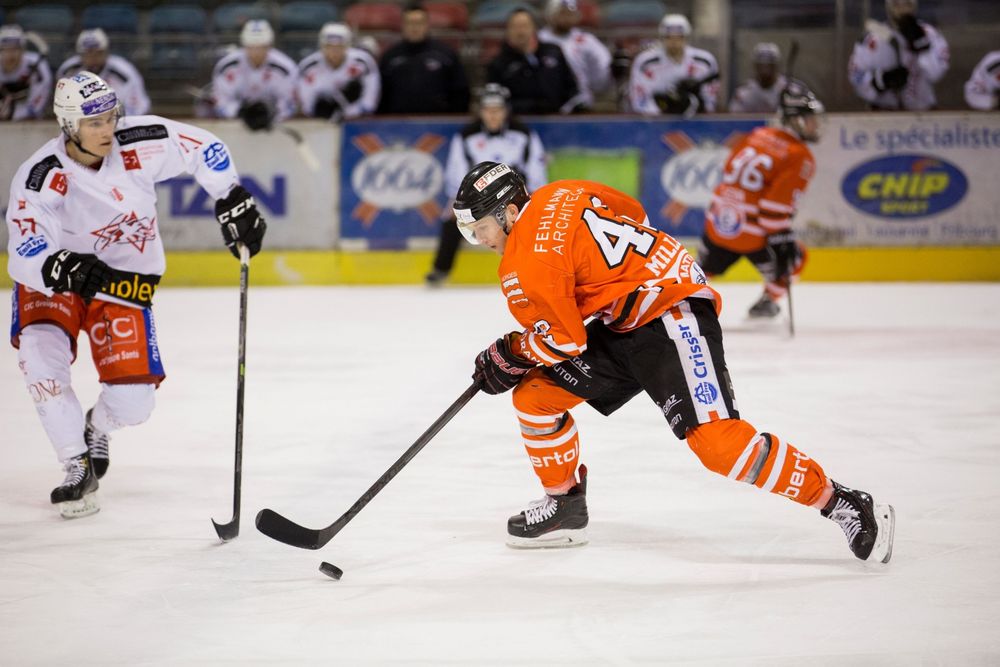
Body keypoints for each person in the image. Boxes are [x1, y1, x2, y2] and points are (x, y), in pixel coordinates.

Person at [452, 160, 895, 563]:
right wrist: (620, 279)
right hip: (632, 315)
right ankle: (565, 506)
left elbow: (564, 341)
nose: (481, 240)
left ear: (510, 213)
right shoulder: (560, 191)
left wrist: (510, 353)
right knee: (536, 397)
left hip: (671, 313)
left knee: (717, 444)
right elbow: (634, 212)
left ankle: (840, 501)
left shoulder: (522, 265)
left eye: (481, 229)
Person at [5, 71, 266, 518]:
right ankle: (75, 462)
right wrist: (56, 265)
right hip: (57, 281)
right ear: (69, 126)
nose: (107, 130)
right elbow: (23, 247)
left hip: (120, 280)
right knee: (40, 358)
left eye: (110, 118)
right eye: (93, 123)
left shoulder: (138, 140)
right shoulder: (40, 175)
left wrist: (230, 196)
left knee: (135, 402)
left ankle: (95, 426)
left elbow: (206, 147)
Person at [699, 80, 820, 320]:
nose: (815, 124)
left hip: (717, 225)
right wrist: (783, 242)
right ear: (795, 121)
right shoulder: (800, 156)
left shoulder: (757, 134)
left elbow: (728, 174)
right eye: (810, 118)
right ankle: (766, 304)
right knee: (797, 258)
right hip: (752, 235)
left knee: (700, 272)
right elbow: (771, 213)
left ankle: (673, 298)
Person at [426, 84, 546, 286]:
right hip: (478, 203)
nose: (492, 116)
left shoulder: (524, 134)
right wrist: (458, 202)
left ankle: (539, 269)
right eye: (488, 110)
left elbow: (536, 171)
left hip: (514, 198)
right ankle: (440, 270)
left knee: (535, 223)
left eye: (497, 110)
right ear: (480, 111)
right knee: (452, 220)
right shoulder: (466, 136)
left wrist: (533, 199)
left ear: (506, 111)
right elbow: (457, 174)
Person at [847, 0, 948, 111]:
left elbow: (935, 74)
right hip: (884, 115)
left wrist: (923, 47)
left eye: (907, 4)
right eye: (896, 4)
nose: (902, 9)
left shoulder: (930, 34)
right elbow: (856, 76)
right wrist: (879, 82)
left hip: (923, 114)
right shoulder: (873, 38)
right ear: (888, 6)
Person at [487, 7, 585, 115]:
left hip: (556, 121)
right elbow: (496, 102)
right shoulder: (498, 64)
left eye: (524, 26)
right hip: (517, 123)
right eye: (515, 26)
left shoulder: (554, 52)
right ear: (508, 30)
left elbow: (571, 89)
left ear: (533, 28)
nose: (520, 31)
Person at [377, 2, 469, 114]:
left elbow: (461, 92)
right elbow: (380, 95)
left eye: (419, 22)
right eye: (410, 23)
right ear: (402, 25)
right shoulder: (390, 57)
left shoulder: (446, 55)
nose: (414, 27)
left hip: (438, 124)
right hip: (398, 124)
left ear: (427, 24)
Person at [211, 20, 298, 130]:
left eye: (261, 47)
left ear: (269, 45)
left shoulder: (285, 68)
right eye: (251, 46)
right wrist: (240, 111)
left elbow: (289, 103)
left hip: (274, 127)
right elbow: (221, 102)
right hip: (236, 127)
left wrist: (271, 114)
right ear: (244, 45)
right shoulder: (227, 67)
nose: (256, 52)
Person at [629, 14, 720, 117]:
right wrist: (663, 112)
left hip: (696, 122)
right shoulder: (646, 62)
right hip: (656, 123)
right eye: (669, 37)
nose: (674, 42)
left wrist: (695, 106)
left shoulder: (704, 61)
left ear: (686, 37)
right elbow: (639, 99)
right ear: (662, 38)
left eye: (679, 37)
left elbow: (711, 99)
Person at [297, 22, 380, 122]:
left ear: (347, 46)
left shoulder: (363, 62)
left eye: (339, 47)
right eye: (329, 46)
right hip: (321, 122)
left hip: (357, 119)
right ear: (321, 46)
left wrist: (352, 112)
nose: (334, 52)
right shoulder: (308, 67)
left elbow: (370, 98)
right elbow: (307, 104)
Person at [56, 28, 150, 116]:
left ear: (106, 52)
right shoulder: (68, 71)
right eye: (88, 54)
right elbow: (63, 103)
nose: (93, 58)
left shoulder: (124, 72)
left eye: (98, 53)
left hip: (118, 121)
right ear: (80, 54)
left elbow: (138, 105)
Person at [538, 0, 612, 111]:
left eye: (569, 13)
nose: (566, 17)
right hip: (547, 105)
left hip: (581, 104)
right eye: (561, 13)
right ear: (551, 15)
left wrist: (613, 71)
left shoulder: (586, 40)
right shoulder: (539, 40)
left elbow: (601, 73)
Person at [0, 24, 52, 121]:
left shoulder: (36, 65)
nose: (10, 54)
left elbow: (37, 103)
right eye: (5, 49)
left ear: (23, 50)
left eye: (15, 49)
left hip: (28, 123)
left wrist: (13, 115)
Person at [728, 42, 786, 113]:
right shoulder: (744, 93)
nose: (765, 70)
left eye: (770, 65)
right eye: (761, 65)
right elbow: (735, 118)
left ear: (776, 66)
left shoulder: (788, 90)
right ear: (755, 66)